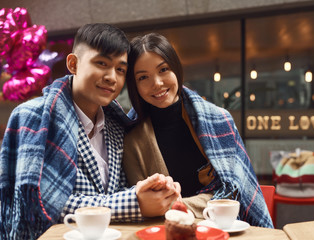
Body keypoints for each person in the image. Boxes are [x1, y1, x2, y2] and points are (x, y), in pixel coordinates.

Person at [0, 24, 180, 239]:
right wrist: (134, 202)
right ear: (73, 64)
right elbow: (42, 202)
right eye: (101, 63)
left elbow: (115, 191)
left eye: (120, 69)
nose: (112, 77)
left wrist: (150, 191)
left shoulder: (117, 123)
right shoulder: (34, 116)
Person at [123, 33, 273, 228]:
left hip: (225, 230)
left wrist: (176, 207)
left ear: (175, 68)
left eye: (163, 70)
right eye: (143, 77)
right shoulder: (131, 139)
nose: (157, 83)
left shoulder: (220, 121)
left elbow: (235, 193)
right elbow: (145, 206)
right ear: (134, 85)